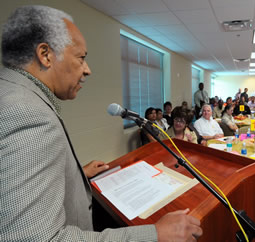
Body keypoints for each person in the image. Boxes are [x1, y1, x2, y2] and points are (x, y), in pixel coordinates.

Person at [0, 5, 202, 241]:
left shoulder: (13, 95)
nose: (87, 70)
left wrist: (76, 175)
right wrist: (153, 233)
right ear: (45, 55)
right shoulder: (26, 113)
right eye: (81, 58)